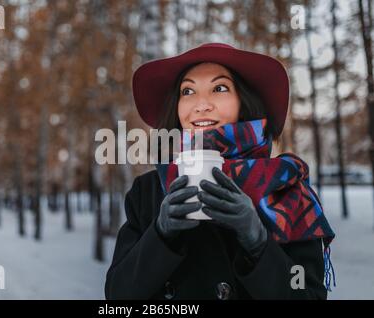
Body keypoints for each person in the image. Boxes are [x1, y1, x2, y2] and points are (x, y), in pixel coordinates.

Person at [105, 43, 335, 300]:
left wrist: (258, 240)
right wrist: (161, 235)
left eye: (220, 88)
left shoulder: (287, 190)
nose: (201, 104)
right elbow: (117, 297)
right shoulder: (148, 191)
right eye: (188, 91)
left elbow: (307, 294)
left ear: (244, 101)